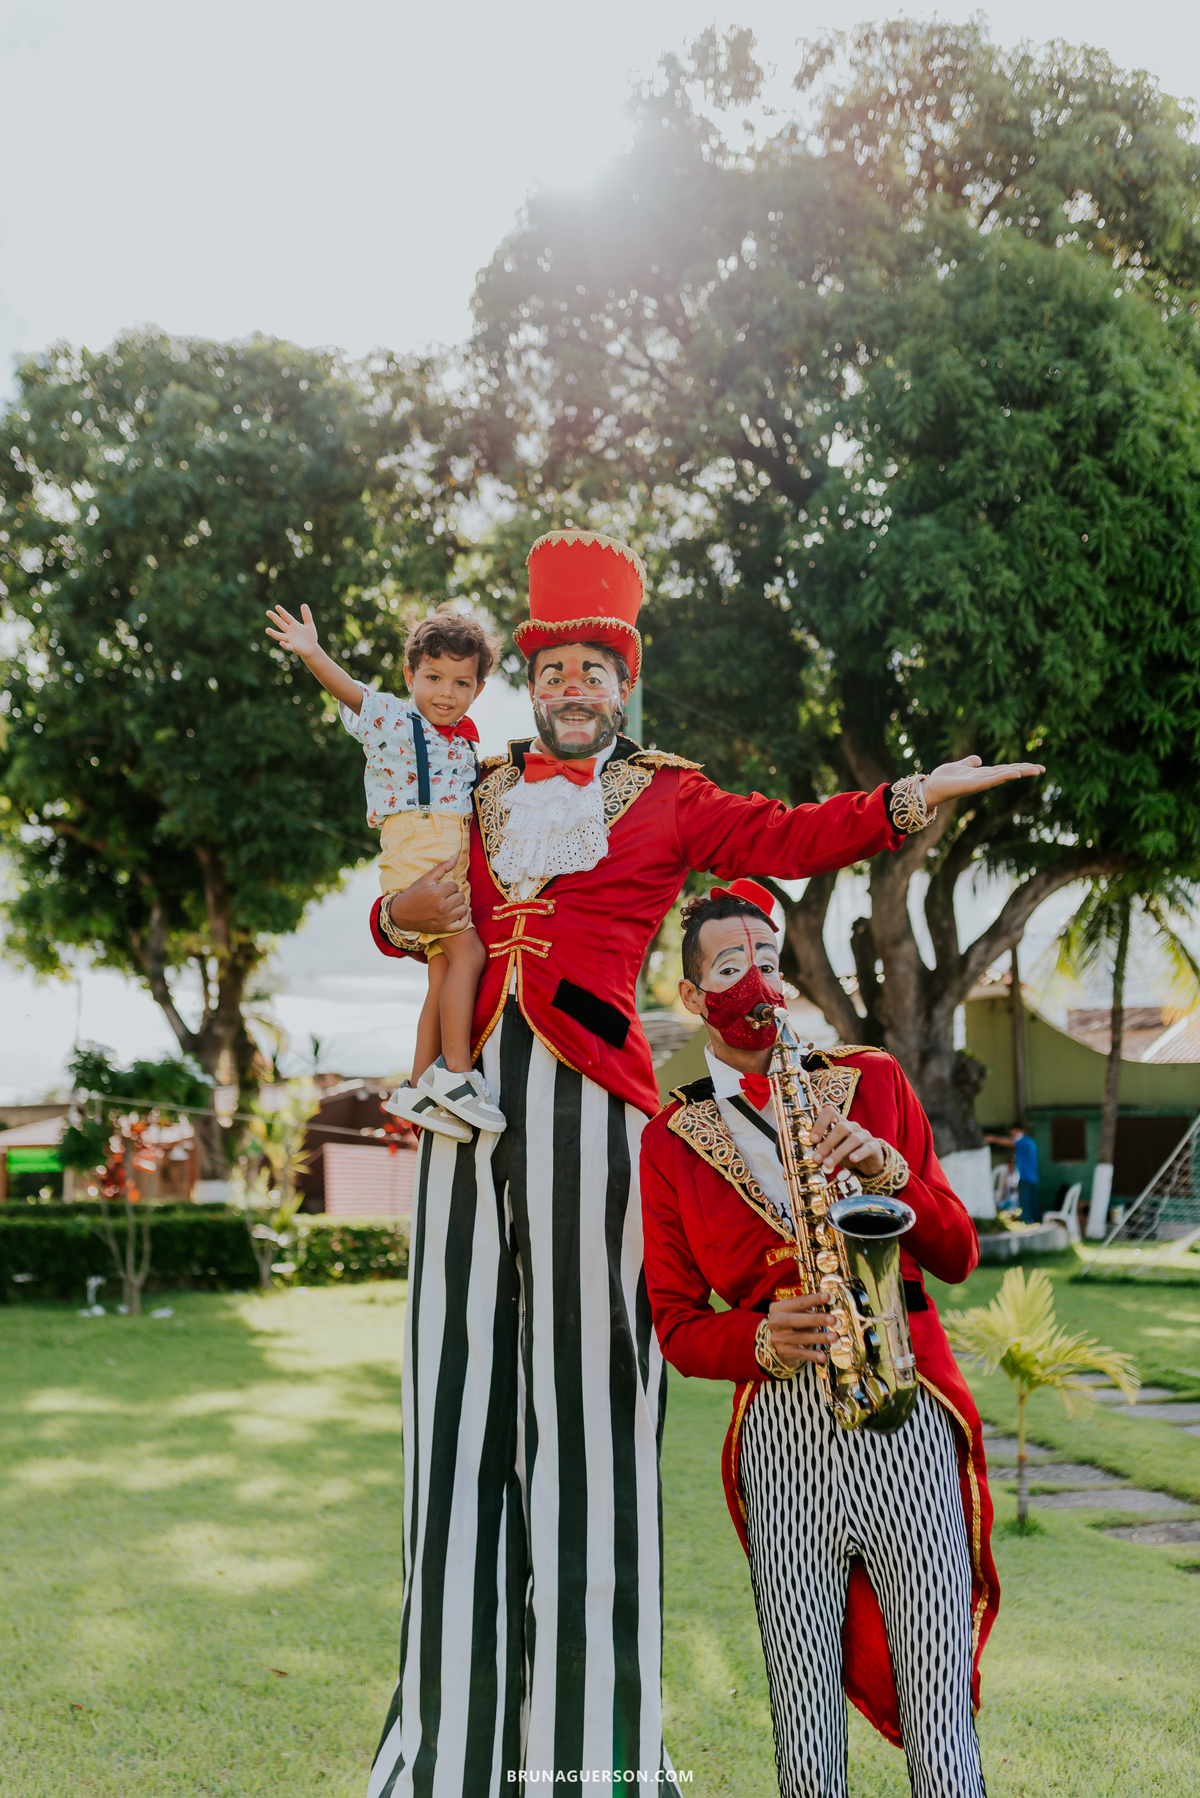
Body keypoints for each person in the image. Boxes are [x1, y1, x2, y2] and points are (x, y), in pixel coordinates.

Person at [366, 527, 1037, 1796]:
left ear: (624, 684)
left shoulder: (671, 795)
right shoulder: (479, 778)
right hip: (461, 1099)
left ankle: (586, 1753)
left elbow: (790, 832)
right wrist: (398, 918)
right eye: (552, 665)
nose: (571, 684)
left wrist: (909, 799)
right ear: (534, 677)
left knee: (590, 1426)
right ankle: (445, 1749)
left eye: (593, 668)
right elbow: (408, 891)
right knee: (451, 1406)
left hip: (588, 1101)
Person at [639, 883, 999, 1798]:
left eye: (767, 957)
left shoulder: (870, 1077)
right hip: (782, 1431)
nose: (758, 976)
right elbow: (676, 1323)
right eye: (730, 965)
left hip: (904, 1412)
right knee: (801, 1708)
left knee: (939, 1699)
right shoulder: (672, 1140)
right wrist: (760, 1336)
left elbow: (957, 1252)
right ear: (692, 997)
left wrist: (890, 1167)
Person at [264, 601, 504, 1138]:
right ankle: (459, 1077)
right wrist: (313, 653)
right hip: (418, 845)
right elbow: (350, 690)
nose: (445, 692)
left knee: (443, 969)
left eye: (461, 684)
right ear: (410, 676)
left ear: (477, 691)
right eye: (433, 677)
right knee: (470, 953)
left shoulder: (464, 742)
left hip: (447, 851)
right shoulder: (396, 721)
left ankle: (419, 1084)